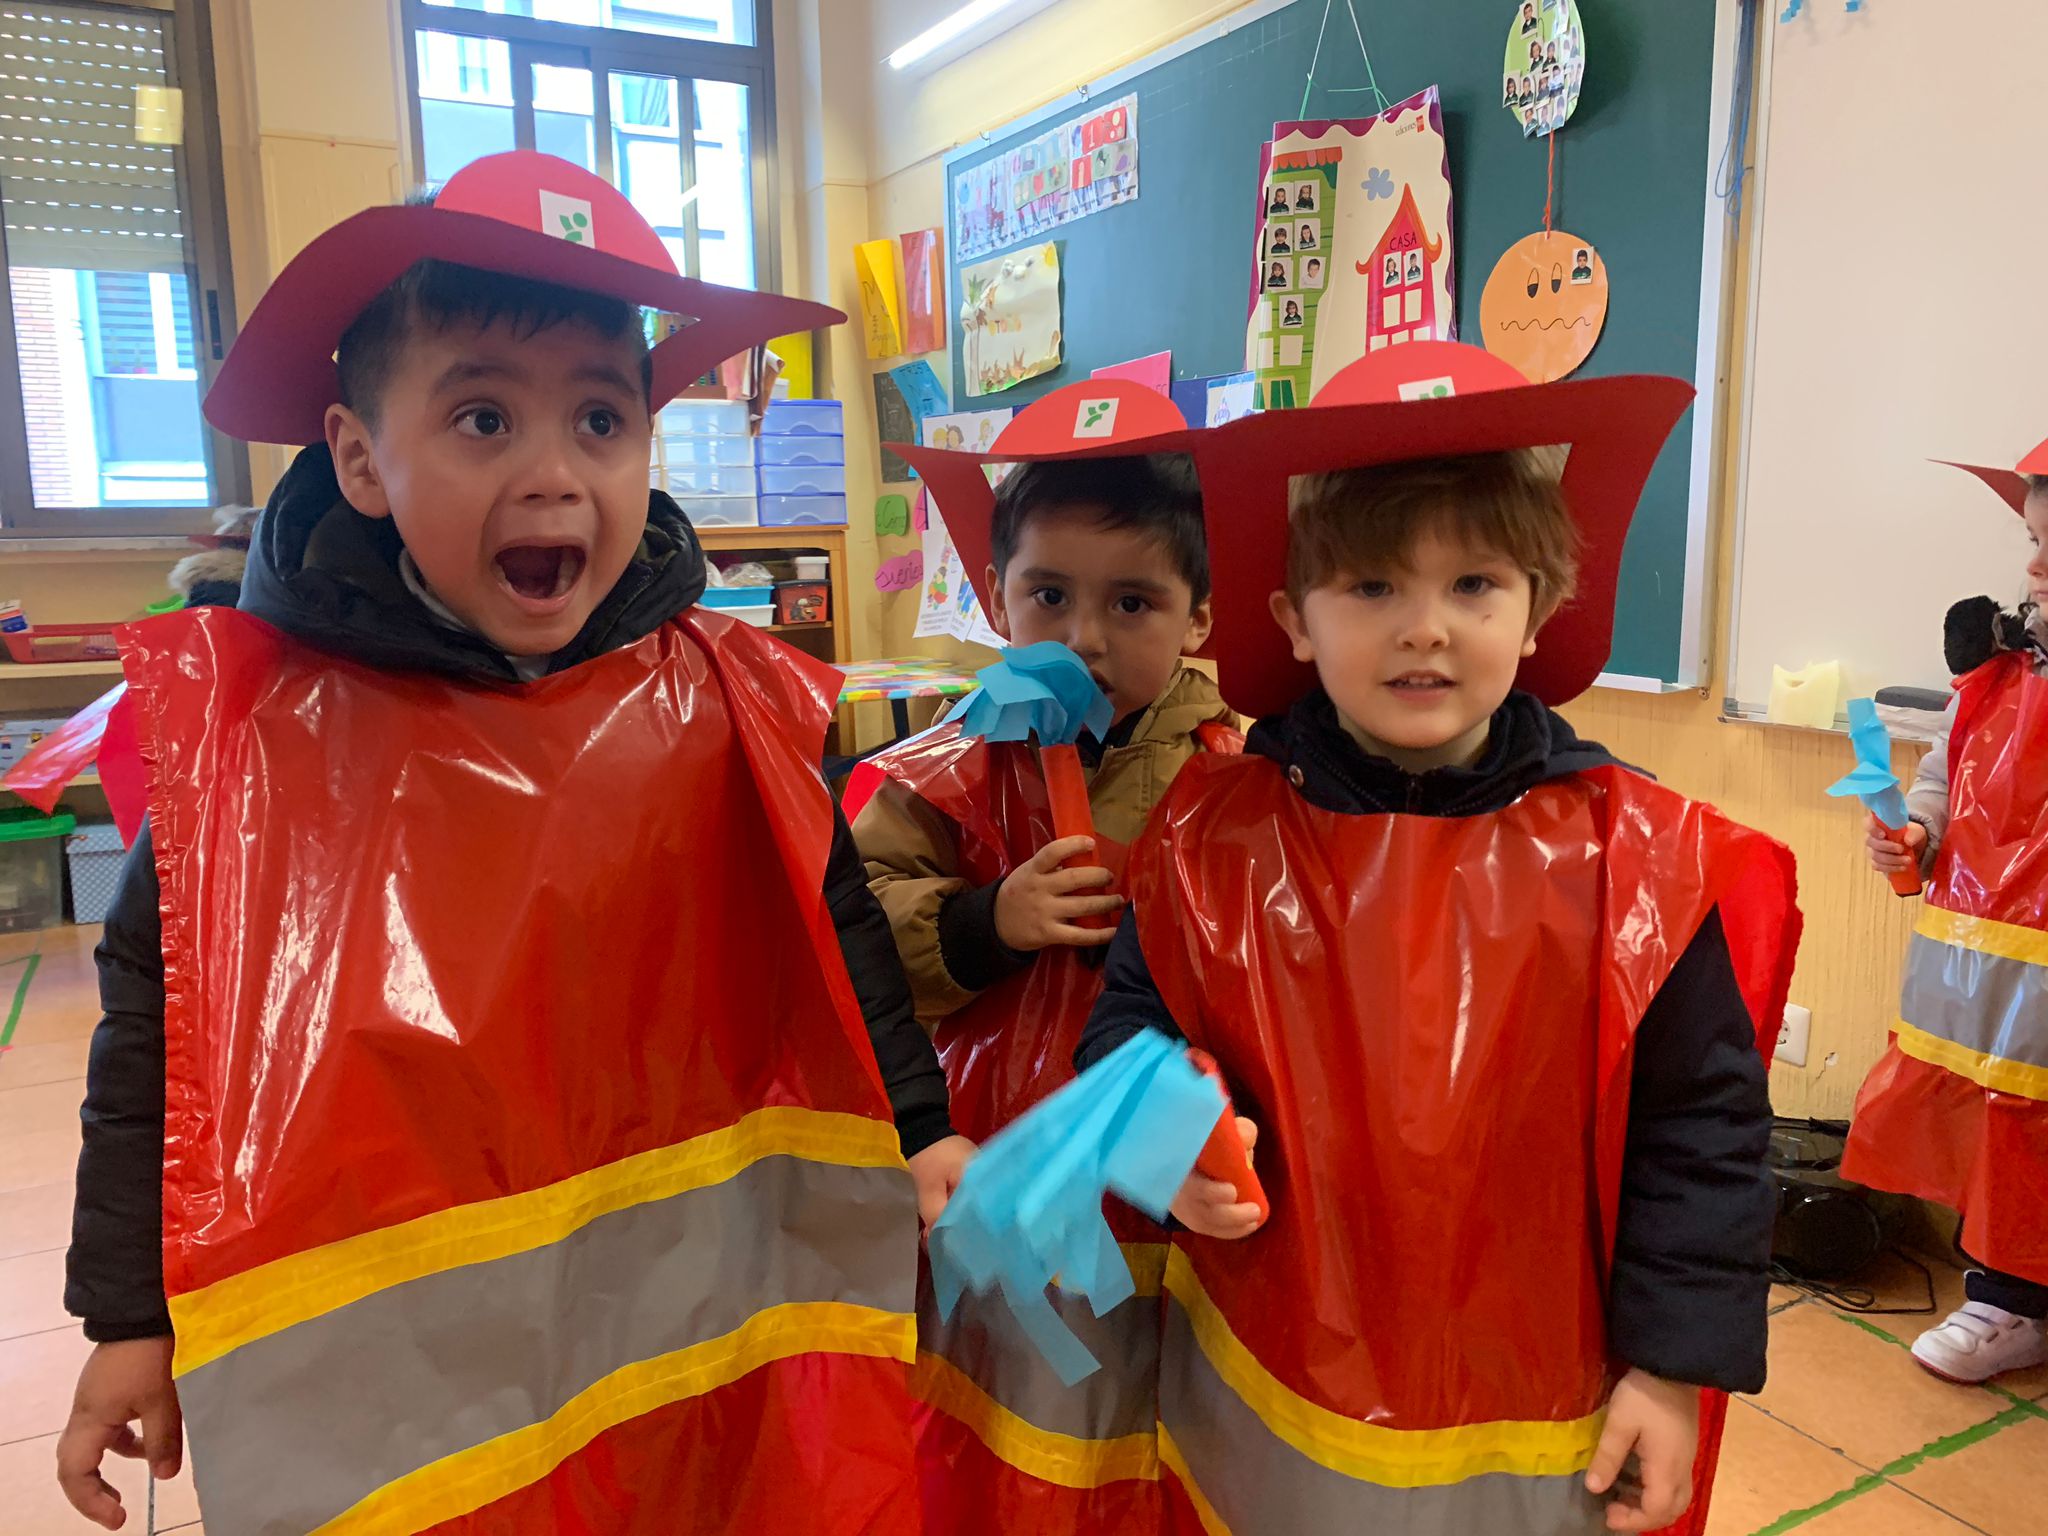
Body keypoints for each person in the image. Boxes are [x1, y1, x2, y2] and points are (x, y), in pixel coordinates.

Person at [56, 152, 964, 1536]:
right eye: (483, 417)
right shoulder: (258, 751)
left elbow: (832, 927)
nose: (554, 474)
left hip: (686, 1342)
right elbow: (160, 1036)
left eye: (601, 420)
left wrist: (917, 1132)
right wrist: (129, 1310)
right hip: (418, 1397)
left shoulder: (726, 700)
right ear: (362, 457)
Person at [1077, 342, 1798, 1536]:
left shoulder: (1639, 862)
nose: (1425, 629)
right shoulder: (1209, 834)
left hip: (1534, 1406)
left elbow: (1701, 1128)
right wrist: (1163, 1149)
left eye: (1474, 585)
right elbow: (1123, 1037)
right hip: (1275, 1386)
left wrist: (1672, 1370)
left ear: (1538, 611)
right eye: (1370, 587)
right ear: (1290, 621)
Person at [856, 381, 1242, 1535]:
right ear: (995, 597)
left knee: (1148, 1408)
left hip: (1167, 1178)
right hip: (986, 1153)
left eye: (1132, 602)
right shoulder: (945, 767)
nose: (1084, 635)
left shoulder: (1238, 780)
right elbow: (855, 926)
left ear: (1200, 619)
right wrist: (986, 922)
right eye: (1049, 594)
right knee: (996, 1399)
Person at [1847, 449, 2048, 1383]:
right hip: (1992, 951)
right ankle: (2005, 1294)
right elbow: (1944, 776)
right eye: (2033, 542)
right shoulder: (2002, 671)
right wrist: (1915, 837)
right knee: (1999, 1114)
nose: (2035, 568)